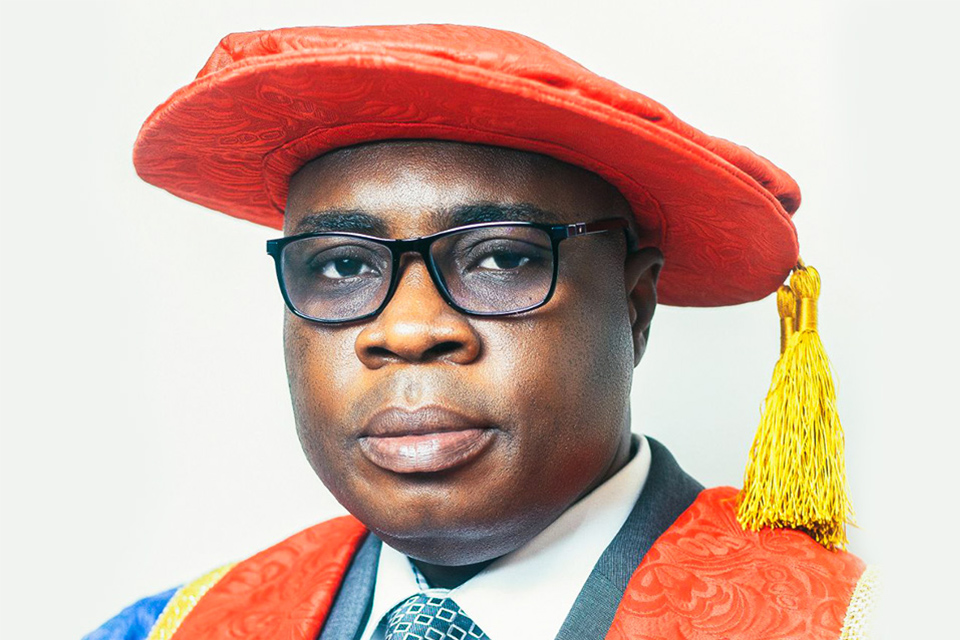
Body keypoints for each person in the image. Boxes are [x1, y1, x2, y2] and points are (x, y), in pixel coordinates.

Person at [84, 24, 874, 640]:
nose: (407, 329)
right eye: (341, 266)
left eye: (501, 258)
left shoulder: (852, 623)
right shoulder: (174, 627)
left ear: (634, 306)